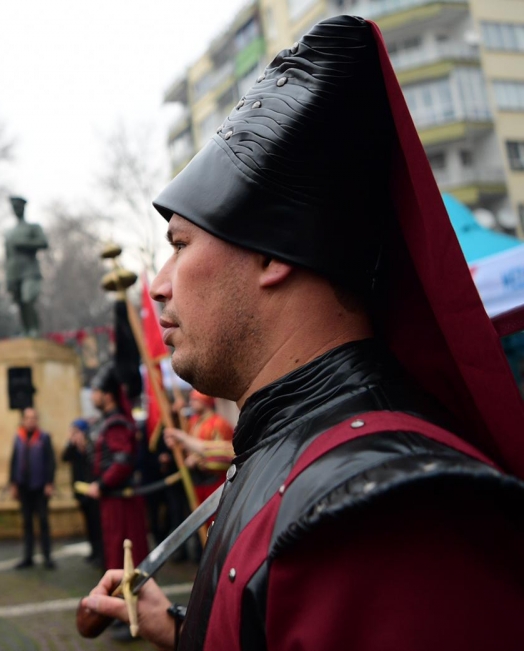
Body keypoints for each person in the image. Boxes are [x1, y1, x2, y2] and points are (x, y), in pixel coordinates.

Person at [80, 16, 524, 651]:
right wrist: (179, 629)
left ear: (272, 253)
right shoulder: (299, 461)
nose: (158, 285)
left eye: (179, 245)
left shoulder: (379, 515)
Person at [85, 364, 149, 572]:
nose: (92, 396)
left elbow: (122, 462)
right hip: (113, 499)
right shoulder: (109, 421)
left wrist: (102, 484)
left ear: (108, 396)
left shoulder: (116, 423)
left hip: (121, 501)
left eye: (96, 391)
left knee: (124, 556)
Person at [8, 407, 56, 569]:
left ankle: (47, 557)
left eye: (33, 418)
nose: (30, 421)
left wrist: (49, 482)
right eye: (28, 418)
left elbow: (50, 461)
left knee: (43, 521)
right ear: (23, 420)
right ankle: (28, 557)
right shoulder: (18, 437)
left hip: (40, 487)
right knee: (27, 522)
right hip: (24, 487)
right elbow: (14, 461)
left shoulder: (44, 437)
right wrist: (13, 483)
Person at [4, 196, 49, 337]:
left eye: (18, 207)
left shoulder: (33, 227)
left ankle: (34, 329)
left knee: (28, 299)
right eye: (14, 208)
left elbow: (43, 243)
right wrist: (8, 278)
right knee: (20, 304)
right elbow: (7, 257)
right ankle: (26, 330)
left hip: (30, 270)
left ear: (23, 208)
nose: (16, 210)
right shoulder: (9, 233)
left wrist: (24, 243)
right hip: (14, 272)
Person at [62, 418, 102, 564]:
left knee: (96, 524)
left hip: (92, 491)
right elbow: (64, 458)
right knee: (88, 525)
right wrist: (71, 443)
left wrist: (83, 446)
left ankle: (100, 553)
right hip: (80, 492)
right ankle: (93, 551)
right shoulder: (73, 449)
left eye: (76, 432)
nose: (74, 435)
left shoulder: (90, 447)